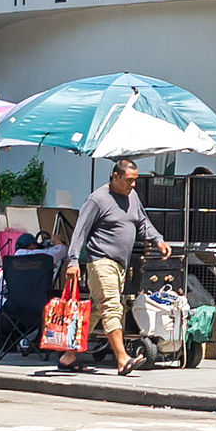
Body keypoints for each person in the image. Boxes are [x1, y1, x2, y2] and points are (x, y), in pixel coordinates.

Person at [67, 159, 157, 376]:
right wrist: (72, 261)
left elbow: (142, 223)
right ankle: (122, 358)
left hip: (121, 265)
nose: (133, 185)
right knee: (111, 307)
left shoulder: (132, 197)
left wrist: (158, 240)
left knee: (96, 310)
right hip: (101, 261)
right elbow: (80, 231)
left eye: (135, 180)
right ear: (115, 176)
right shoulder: (97, 200)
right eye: (129, 180)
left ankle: (68, 355)